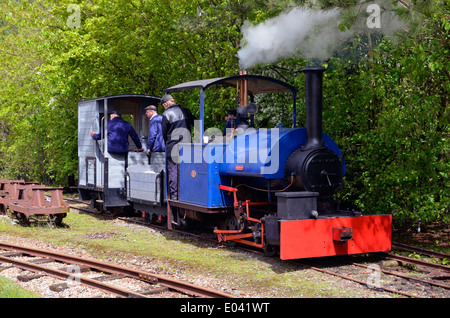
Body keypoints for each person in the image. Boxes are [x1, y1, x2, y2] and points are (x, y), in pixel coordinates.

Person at [160, 94, 195, 200]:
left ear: (166, 104)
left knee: (173, 171)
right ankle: (187, 193)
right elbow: (197, 123)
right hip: (187, 146)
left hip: (173, 147)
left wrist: (168, 144)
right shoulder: (186, 111)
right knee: (187, 170)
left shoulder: (166, 114)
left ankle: (174, 196)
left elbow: (164, 133)